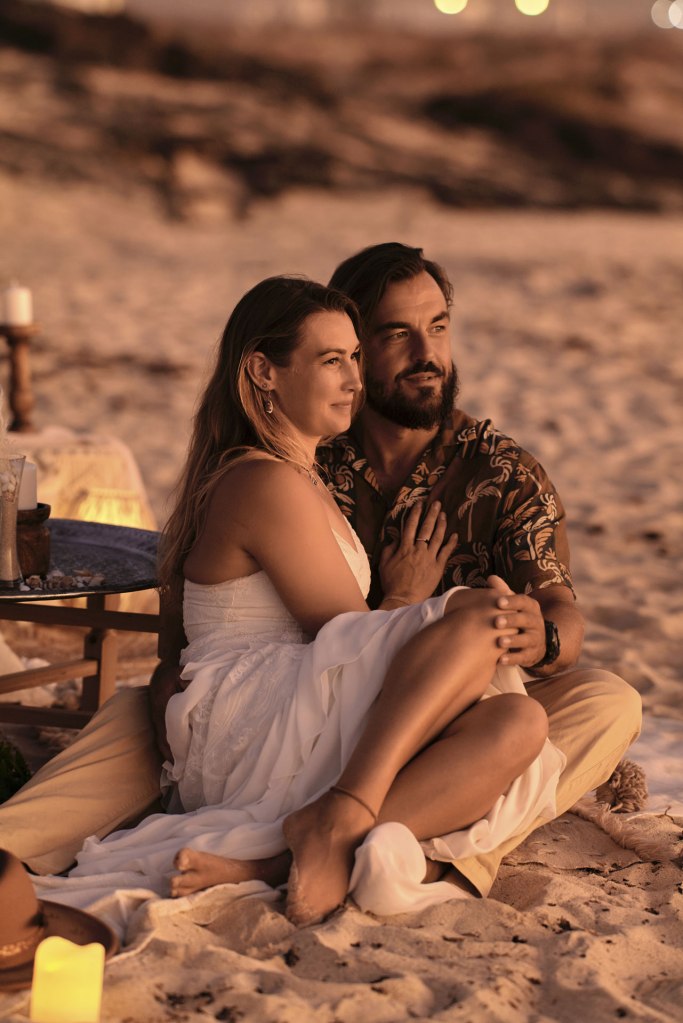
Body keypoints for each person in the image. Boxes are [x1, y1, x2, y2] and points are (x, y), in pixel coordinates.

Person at [0, 245, 641, 900]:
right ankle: (400, 840)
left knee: (596, 702)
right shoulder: (306, 457)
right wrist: (406, 600)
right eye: (390, 335)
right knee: (140, 713)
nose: (426, 352)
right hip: (288, 707)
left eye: (439, 327)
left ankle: (334, 841)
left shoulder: (498, 471)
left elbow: (558, 605)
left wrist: (543, 637)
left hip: (390, 704)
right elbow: (253, 627)